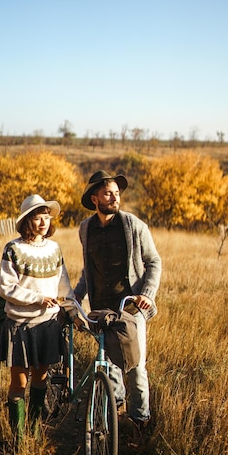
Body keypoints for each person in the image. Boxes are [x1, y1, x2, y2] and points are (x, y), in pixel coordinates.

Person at [74, 170, 162, 431]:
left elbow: (154, 261)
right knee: (110, 367)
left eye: (117, 193)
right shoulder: (85, 229)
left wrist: (146, 294)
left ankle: (140, 422)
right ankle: (117, 415)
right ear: (94, 199)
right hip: (101, 310)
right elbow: (88, 270)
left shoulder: (134, 225)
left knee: (135, 368)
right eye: (108, 193)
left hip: (130, 309)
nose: (115, 198)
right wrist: (76, 296)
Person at [0, 194, 76, 443]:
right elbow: (6, 288)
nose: (43, 222)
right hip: (21, 325)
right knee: (19, 381)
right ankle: (18, 438)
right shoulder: (14, 249)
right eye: (37, 217)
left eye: (46, 217)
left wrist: (73, 308)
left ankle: (34, 427)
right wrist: (37, 298)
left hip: (48, 325)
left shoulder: (54, 249)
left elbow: (63, 285)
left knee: (41, 377)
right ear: (26, 221)